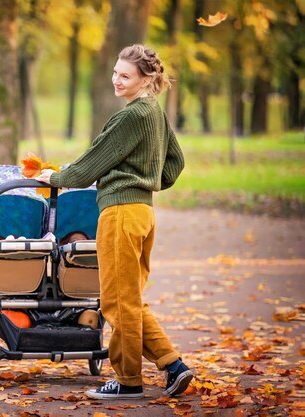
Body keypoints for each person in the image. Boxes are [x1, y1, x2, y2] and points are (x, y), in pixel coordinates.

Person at [35, 44, 192, 400]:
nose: (116, 81)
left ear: (146, 78)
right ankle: (173, 365)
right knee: (129, 299)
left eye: (125, 75)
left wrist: (54, 177)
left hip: (120, 214)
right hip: (143, 214)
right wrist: (148, 182)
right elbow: (175, 163)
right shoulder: (154, 113)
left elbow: (90, 164)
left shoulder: (131, 117)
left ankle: (128, 381)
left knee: (116, 302)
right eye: (115, 73)